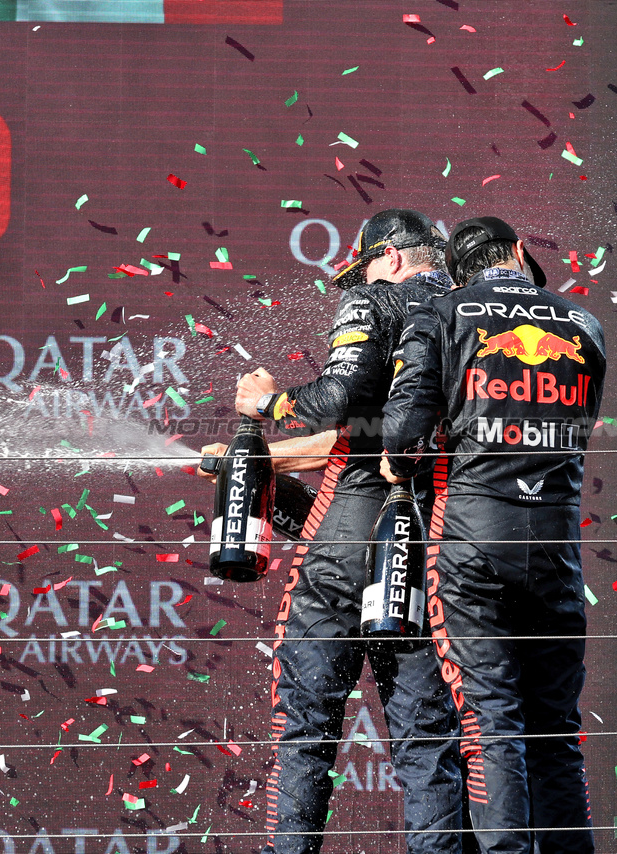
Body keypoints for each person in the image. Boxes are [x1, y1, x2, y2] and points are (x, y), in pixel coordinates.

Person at [202, 209, 465, 854]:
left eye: (367, 267)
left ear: (395, 259)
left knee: (306, 735)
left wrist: (267, 407)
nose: (360, 281)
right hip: (428, 546)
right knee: (427, 741)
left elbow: (341, 398)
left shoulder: (378, 299)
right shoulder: (472, 315)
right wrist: (268, 460)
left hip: (346, 548)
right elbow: (375, 430)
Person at [381, 216, 606, 854]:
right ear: (518, 252)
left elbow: (402, 433)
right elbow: (578, 426)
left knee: (492, 724)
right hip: (557, 549)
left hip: (474, 544)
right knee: (557, 728)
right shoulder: (582, 322)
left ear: (458, 271)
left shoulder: (441, 313)